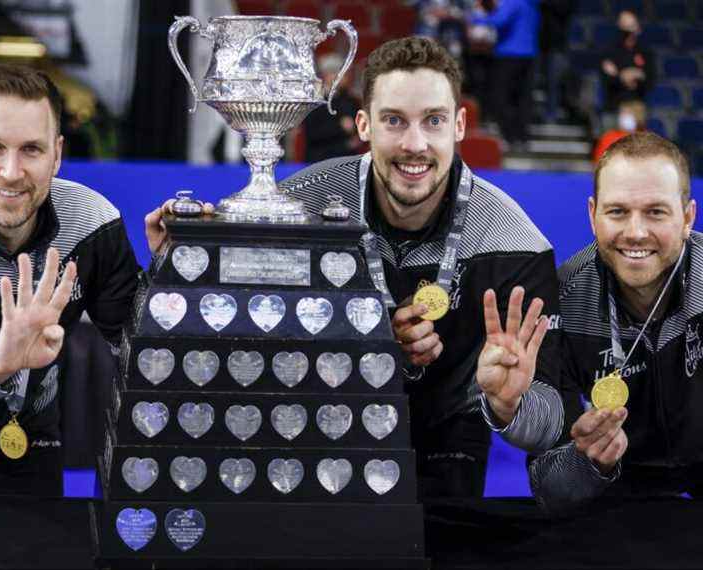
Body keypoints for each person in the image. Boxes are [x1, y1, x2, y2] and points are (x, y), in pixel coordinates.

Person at [280, 36, 564, 500]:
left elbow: (547, 427)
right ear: (363, 125)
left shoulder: (516, 244)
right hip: (321, 424)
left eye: (433, 121)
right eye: (394, 120)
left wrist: (510, 405)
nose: (415, 144)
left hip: (447, 443)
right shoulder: (301, 206)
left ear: (459, 125)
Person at [0, 63, 161, 497]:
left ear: (57, 154)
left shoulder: (91, 222)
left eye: (31, 150)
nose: (11, 171)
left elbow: (146, 355)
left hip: (23, 424)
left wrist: (170, 276)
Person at [530, 132, 699, 513]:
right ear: (593, 215)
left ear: (688, 216)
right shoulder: (562, 302)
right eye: (618, 211)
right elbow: (549, 489)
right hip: (617, 504)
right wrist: (587, 461)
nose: (636, 232)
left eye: (656, 211)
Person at [469, 0, 540, 150]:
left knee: (499, 96)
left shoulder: (513, 2)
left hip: (509, 54)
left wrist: (474, 17)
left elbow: (499, 20)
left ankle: (509, 135)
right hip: (529, 53)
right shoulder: (532, 4)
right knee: (522, 98)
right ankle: (522, 137)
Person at [600, 10, 655, 113]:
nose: (628, 35)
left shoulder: (645, 52)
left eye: (631, 30)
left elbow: (650, 80)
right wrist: (623, 77)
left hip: (637, 108)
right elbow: (606, 79)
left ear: (638, 29)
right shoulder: (609, 51)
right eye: (625, 32)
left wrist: (638, 75)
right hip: (614, 108)